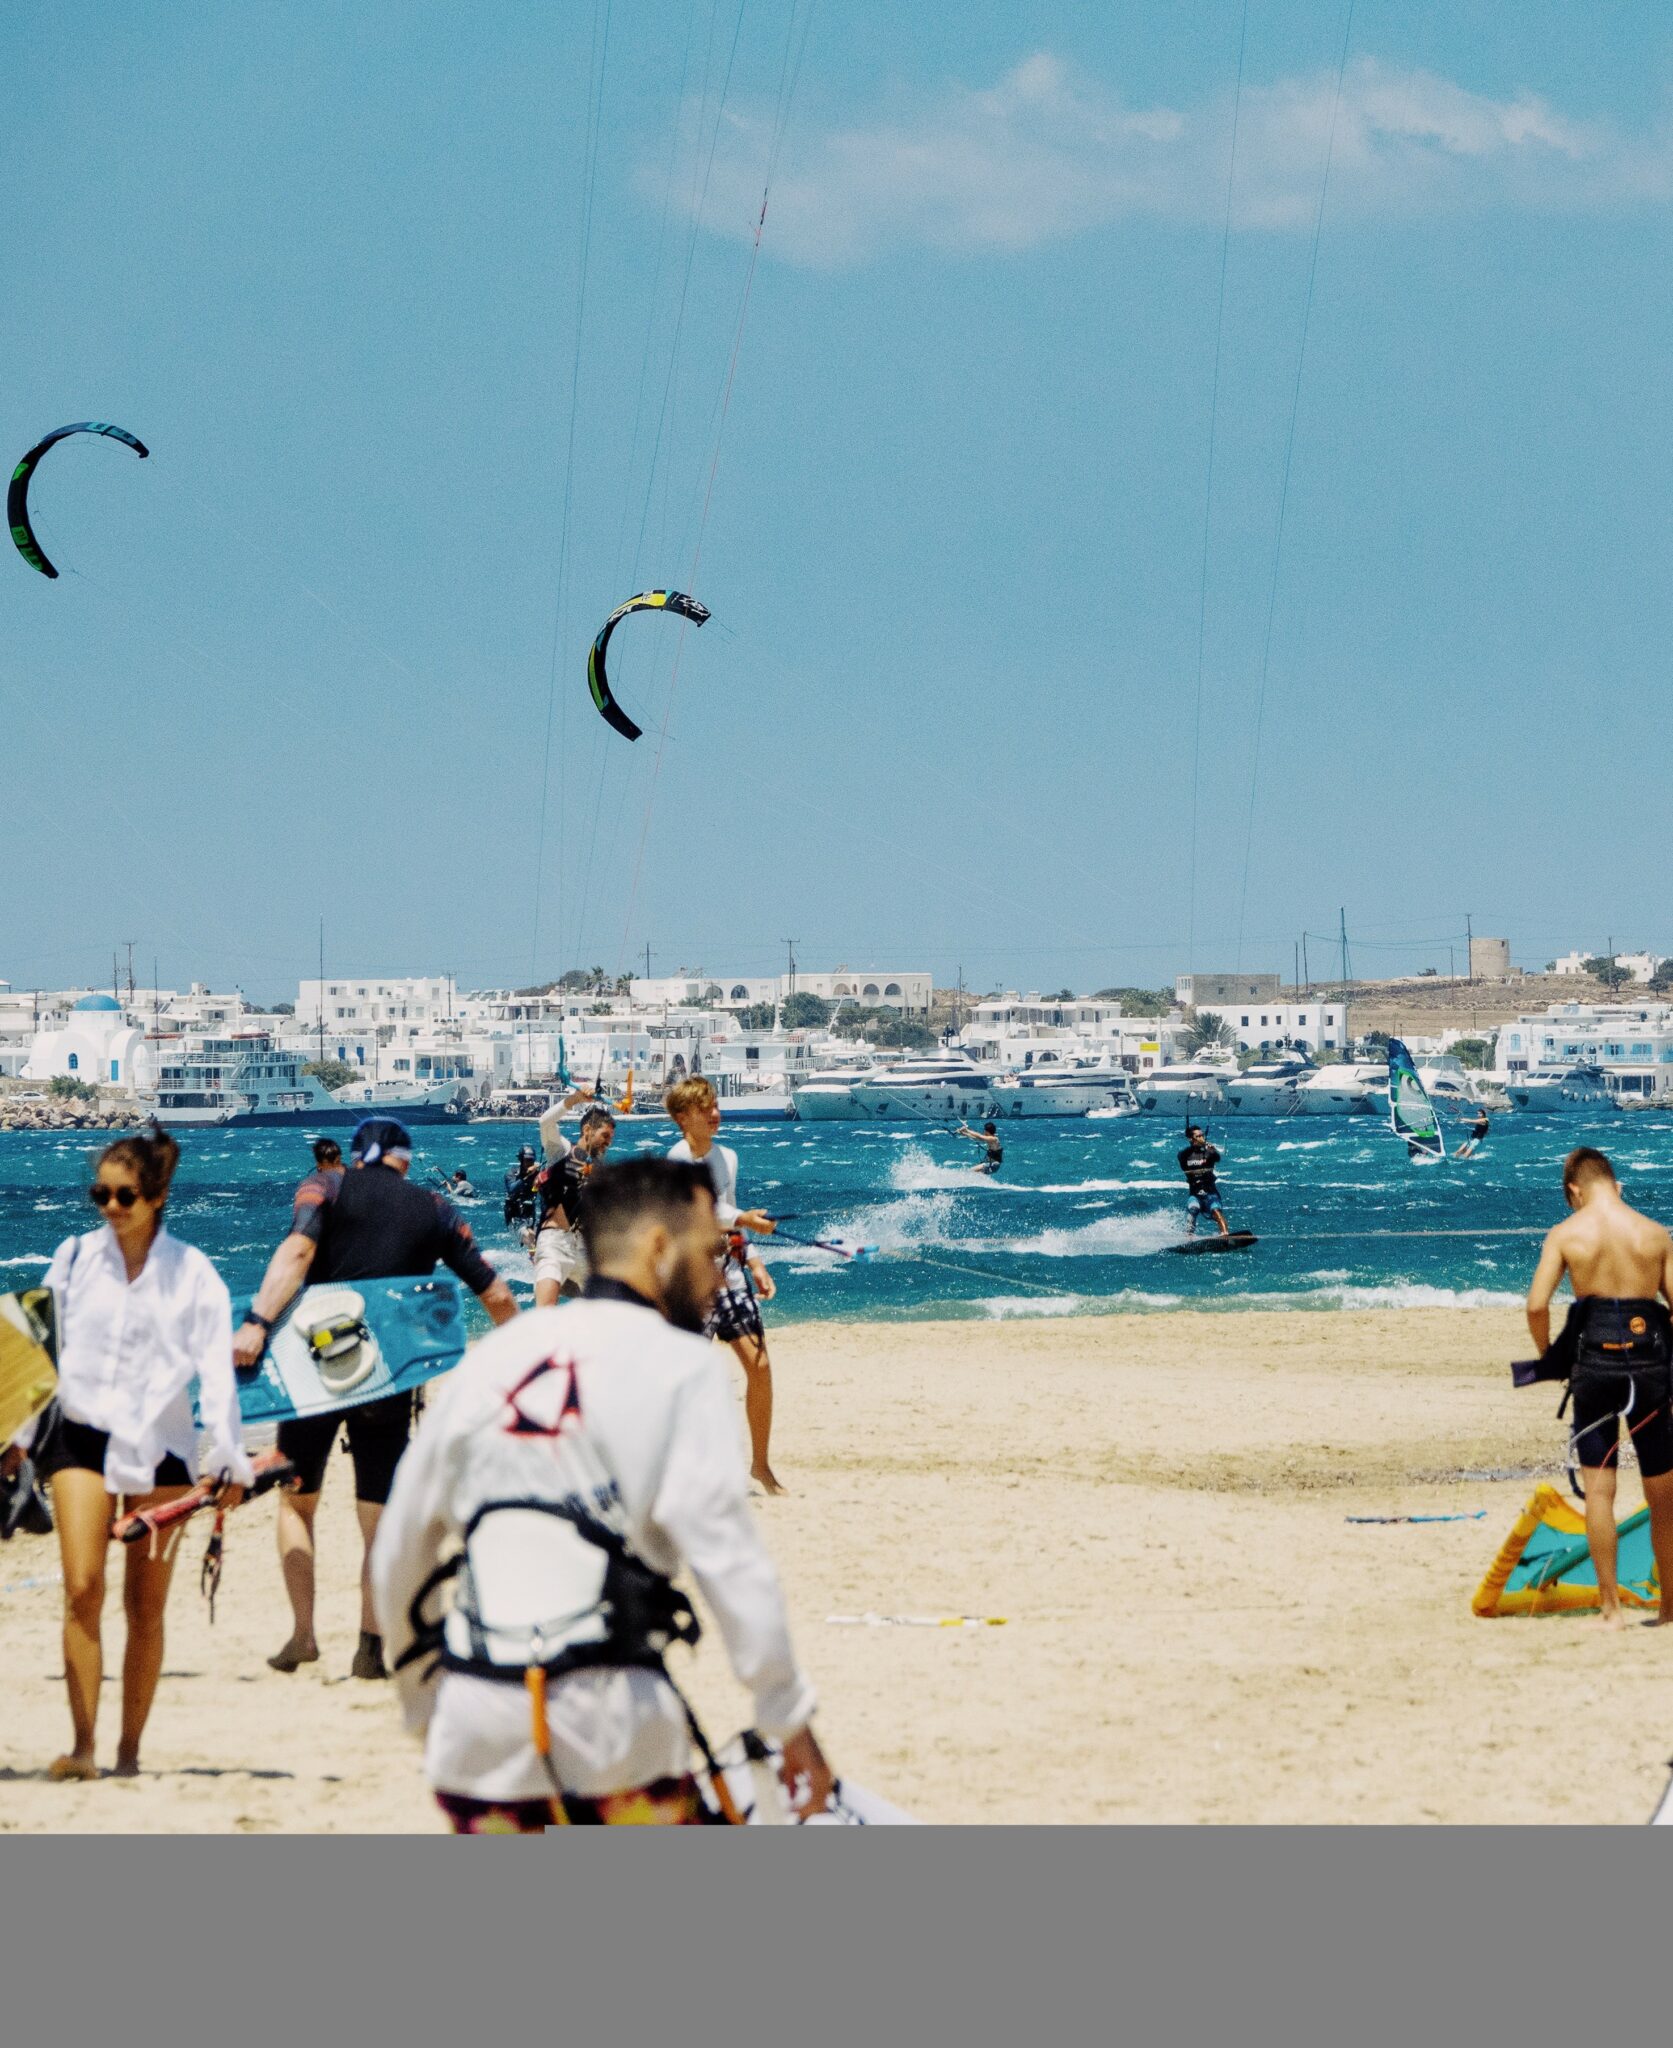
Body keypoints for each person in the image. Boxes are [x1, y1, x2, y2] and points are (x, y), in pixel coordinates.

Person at [371, 1156, 833, 1829]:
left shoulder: (500, 1356)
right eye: (708, 1251)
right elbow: (729, 1559)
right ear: (656, 1247)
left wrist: (423, 1707)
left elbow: (401, 1547)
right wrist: (788, 1721)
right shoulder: (679, 1365)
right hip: (612, 1721)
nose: (716, 1275)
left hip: (475, 1721)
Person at [0, 1127, 252, 1781]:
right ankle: (82, 1746)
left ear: (157, 1197)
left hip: (163, 1452)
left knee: (146, 1607)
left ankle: (128, 1751)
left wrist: (228, 1458)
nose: (110, 1206)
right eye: (100, 1193)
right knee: (83, 1588)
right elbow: (37, 1348)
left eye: (125, 1195)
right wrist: (17, 1437)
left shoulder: (192, 1275)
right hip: (78, 1434)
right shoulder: (74, 1257)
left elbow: (216, 1375)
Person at [234, 1117, 519, 1678]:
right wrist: (525, 1359)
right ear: (404, 1161)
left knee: (297, 1501)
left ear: (359, 1154)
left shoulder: (324, 1186)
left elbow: (295, 1255)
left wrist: (256, 1321)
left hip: (312, 1372)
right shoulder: (435, 1208)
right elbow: (497, 1292)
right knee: (379, 1517)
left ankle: (303, 1635)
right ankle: (370, 1646)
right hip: (386, 1376)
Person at [1525, 1146, 1673, 1629]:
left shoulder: (1566, 1234)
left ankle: (1612, 1609)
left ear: (1574, 1190)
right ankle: (1669, 1607)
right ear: (1617, 1185)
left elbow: (1536, 1305)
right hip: (1650, 1366)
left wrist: (1551, 1356)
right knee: (1663, 1492)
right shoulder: (1654, 1234)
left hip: (1595, 1366)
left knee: (1600, 1490)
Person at [664, 1076, 783, 1495]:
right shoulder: (676, 1160)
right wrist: (744, 1219)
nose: (715, 1113)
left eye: (715, 1105)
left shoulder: (727, 1157)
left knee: (760, 1367)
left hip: (729, 1272)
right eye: (704, 1108)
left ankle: (761, 1467)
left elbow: (729, 1212)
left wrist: (754, 1259)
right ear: (682, 1118)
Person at [532, 1106, 616, 1306]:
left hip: (583, 1249)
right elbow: (545, 1122)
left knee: (606, 1312)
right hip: (555, 1243)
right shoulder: (561, 1151)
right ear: (587, 1130)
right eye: (605, 1135)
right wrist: (575, 1100)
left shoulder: (598, 1169)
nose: (608, 1142)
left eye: (611, 1137)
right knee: (545, 1312)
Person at [1178, 1126, 1229, 1237]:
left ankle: (1225, 1234)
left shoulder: (1209, 1152)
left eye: (1202, 1135)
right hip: (1195, 1193)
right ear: (1191, 1139)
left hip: (1210, 1192)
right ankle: (1188, 1238)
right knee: (1193, 1209)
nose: (1202, 1138)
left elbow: (1217, 1158)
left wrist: (1211, 1149)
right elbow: (1182, 1158)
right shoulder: (1184, 1155)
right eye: (1198, 1136)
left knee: (1216, 1210)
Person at [503, 1145, 538, 1228]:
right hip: (513, 1211)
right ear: (521, 1160)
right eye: (527, 1160)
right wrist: (526, 1176)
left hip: (529, 1210)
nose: (529, 1163)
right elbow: (511, 1189)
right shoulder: (512, 1173)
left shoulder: (537, 1174)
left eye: (531, 1160)